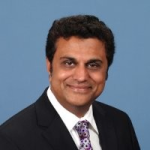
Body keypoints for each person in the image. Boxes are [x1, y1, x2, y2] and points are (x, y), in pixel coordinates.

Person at [0, 15, 140, 150]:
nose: (81, 77)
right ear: (49, 66)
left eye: (93, 65)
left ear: (106, 70)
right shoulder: (11, 139)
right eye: (69, 63)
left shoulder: (120, 123)